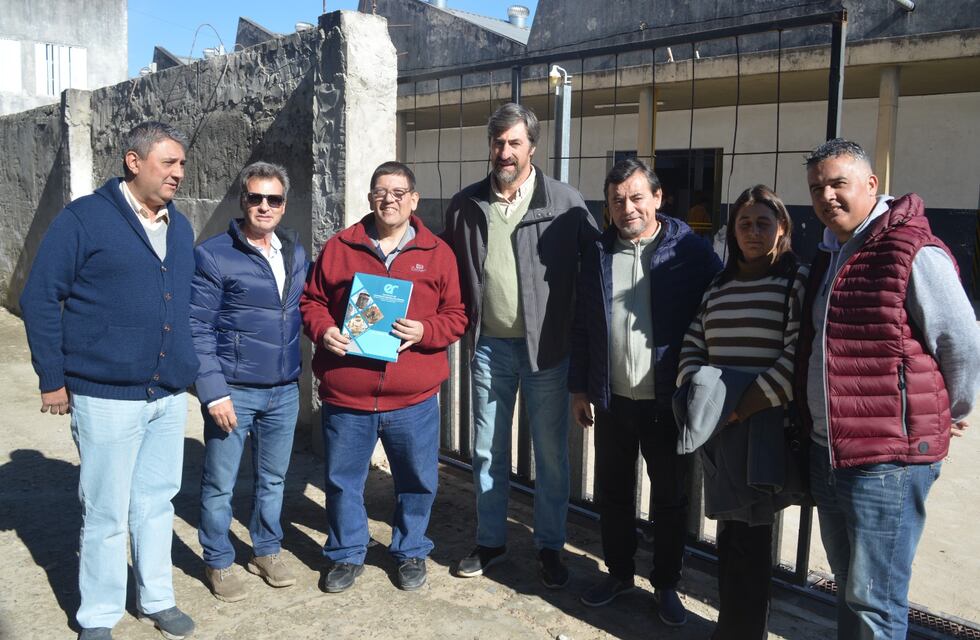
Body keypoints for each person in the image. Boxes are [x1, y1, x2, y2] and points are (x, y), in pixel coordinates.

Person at [19, 121, 198, 640]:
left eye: (182, 164)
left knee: (157, 501)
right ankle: (98, 616)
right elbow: (39, 298)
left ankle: (157, 598)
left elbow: (179, 305)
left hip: (165, 395)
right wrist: (52, 376)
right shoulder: (84, 220)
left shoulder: (179, 226)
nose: (178, 174)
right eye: (169, 163)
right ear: (133, 161)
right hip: (105, 396)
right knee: (105, 512)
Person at [797, 138, 980, 639]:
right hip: (829, 450)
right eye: (817, 188)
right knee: (850, 586)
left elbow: (961, 341)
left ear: (871, 184)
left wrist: (949, 409)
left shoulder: (910, 250)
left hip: (887, 461)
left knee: (875, 598)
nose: (827, 196)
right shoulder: (831, 252)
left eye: (838, 183)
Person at [442, 103, 599, 588]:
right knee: (487, 450)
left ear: (533, 147)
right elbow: (448, 275)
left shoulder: (565, 203)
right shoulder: (467, 205)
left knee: (551, 455)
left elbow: (594, 276)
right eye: (498, 142)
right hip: (489, 347)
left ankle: (550, 547)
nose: (505, 152)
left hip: (547, 353)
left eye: (514, 143)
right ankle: (491, 541)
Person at [300, 161, 467, 593]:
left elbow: (457, 316)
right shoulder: (340, 247)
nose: (388, 199)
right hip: (348, 396)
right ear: (370, 196)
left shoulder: (437, 253)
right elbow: (311, 302)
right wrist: (325, 330)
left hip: (412, 399)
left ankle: (410, 550)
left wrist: (426, 331)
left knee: (416, 481)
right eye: (380, 190)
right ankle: (346, 553)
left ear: (414, 200)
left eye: (398, 192)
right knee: (342, 482)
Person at [568, 158, 720, 624]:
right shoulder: (596, 253)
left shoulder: (690, 253)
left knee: (670, 499)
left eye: (636, 197)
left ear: (657, 198)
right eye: (617, 200)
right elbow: (583, 325)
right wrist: (579, 389)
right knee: (613, 493)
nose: (627, 207)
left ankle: (667, 584)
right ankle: (617, 573)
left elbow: (716, 315)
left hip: (666, 403)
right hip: (613, 401)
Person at [676, 185, 808, 639]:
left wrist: (742, 406)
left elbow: (796, 356)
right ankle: (731, 627)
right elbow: (694, 344)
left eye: (763, 223)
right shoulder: (718, 285)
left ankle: (741, 631)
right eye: (744, 223)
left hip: (761, 426)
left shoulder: (794, 283)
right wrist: (699, 397)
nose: (753, 232)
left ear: (782, 228)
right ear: (732, 231)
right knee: (730, 535)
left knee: (751, 539)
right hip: (720, 428)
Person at [190, 162, 307, 602]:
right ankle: (218, 560)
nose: (264, 206)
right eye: (255, 198)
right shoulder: (214, 254)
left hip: (283, 388)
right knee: (220, 481)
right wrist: (213, 391)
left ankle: (266, 549)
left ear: (283, 205)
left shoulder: (294, 252)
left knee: (273, 479)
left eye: (273, 199)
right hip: (234, 389)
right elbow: (197, 327)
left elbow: (310, 305)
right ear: (243, 200)